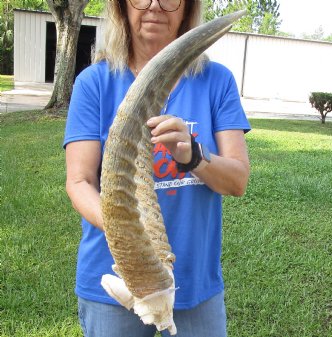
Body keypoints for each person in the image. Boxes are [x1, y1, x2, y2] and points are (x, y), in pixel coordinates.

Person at [64, 0, 251, 336]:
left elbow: (237, 181)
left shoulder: (216, 81)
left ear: (187, 8)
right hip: (115, 280)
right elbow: (79, 181)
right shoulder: (94, 83)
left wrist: (193, 155)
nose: (153, 6)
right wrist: (128, 236)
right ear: (121, 7)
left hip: (196, 283)